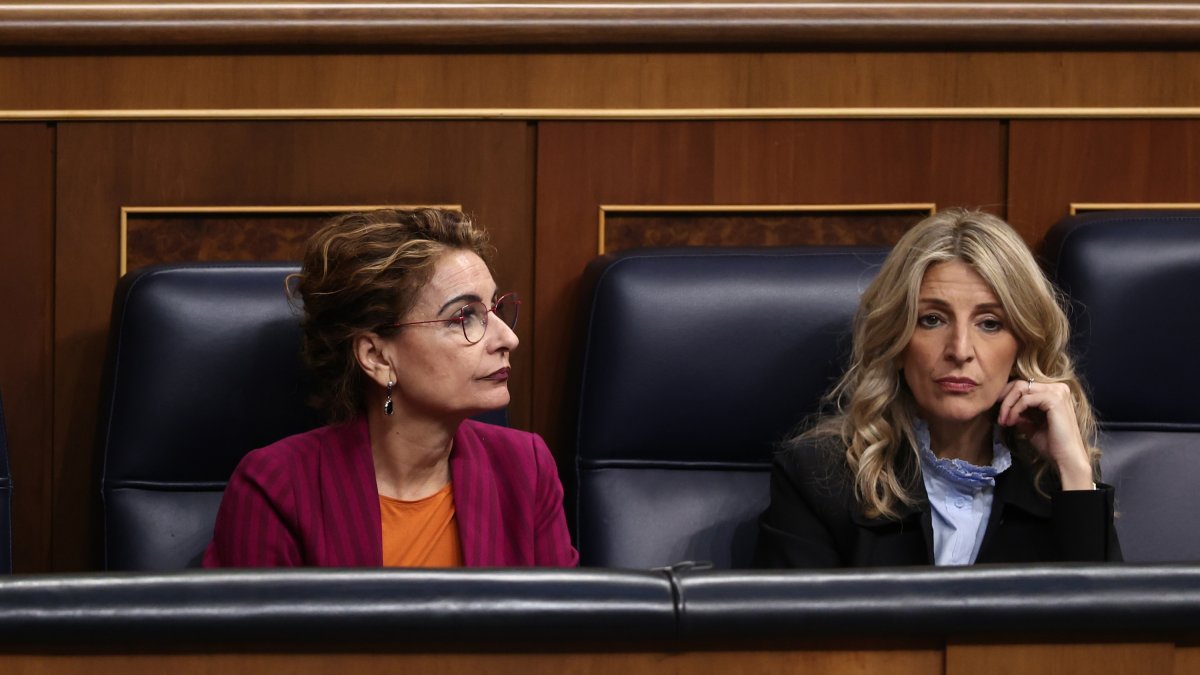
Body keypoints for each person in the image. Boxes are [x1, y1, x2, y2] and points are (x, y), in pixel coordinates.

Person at [204, 208, 578, 568]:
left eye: (494, 310)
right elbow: (249, 633)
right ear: (377, 357)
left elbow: (565, 630)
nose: (508, 339)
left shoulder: (524, 468)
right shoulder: (276, 487)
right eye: (465, 317)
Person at [755, 208, 1121, 567]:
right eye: (932, 319)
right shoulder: (819, 475)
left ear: (1022, 345)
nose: (960, 350)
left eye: (990, 323)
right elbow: (793, 626)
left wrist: (1074, 471)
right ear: (896, 340)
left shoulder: (1056, 478)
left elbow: (1108, 623)